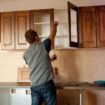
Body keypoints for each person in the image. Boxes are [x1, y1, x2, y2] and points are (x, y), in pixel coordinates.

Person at [23, 22, 58, 105]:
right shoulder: (43, 46)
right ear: (36, 37)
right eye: (37, 35)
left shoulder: (25, 54)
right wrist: (54, 25)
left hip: (34, 86)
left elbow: (37, 62)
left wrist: (51, 59)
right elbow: (52, 34)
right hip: (47, 84)